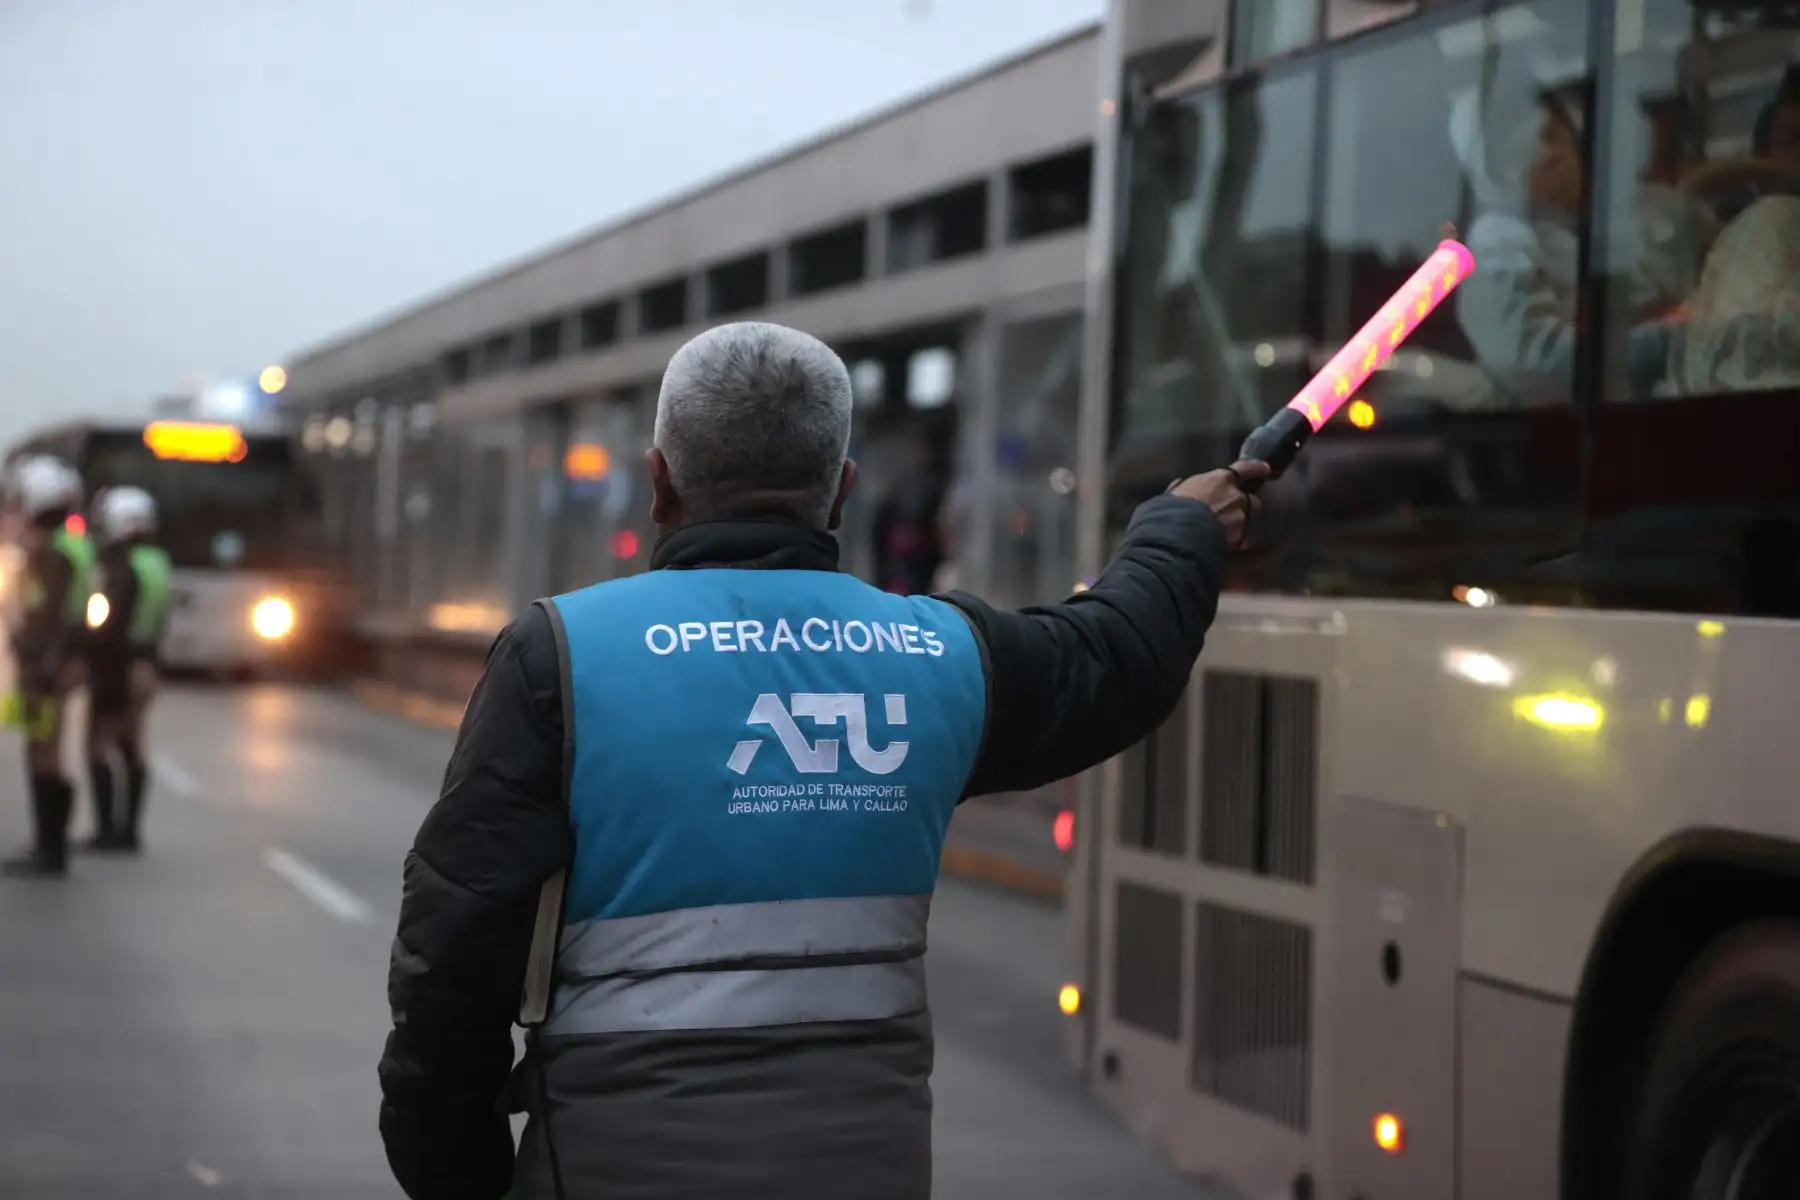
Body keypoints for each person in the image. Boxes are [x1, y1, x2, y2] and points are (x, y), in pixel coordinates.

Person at [377, 321, 1266, 1200]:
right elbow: (1116, 656)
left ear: (659, 483)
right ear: (840, 492)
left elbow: (454, 951)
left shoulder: (564, 657)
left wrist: (458, 1175)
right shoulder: (943, 657)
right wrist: (1180, 529)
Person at [3, 456, 93, 879]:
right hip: (42, 664)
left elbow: (53, 615)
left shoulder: (55, 550)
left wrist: (41, 665)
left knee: (44, 752)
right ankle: (46, 844)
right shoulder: (60, 544)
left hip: (44, 669)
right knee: (39, 747)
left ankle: (50, 848)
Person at [83, 486, 172, 853]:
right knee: (133, 744)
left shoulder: (121, 566)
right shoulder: (157, 562)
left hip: (117, 664)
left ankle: (107, 831)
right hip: (147, 662)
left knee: (97, 744)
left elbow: (109, 622)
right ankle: (130, 831)